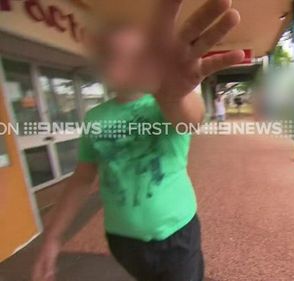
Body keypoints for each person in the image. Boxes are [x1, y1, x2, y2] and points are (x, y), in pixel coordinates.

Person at [31, 0, 245, 281]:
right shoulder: (95, 118)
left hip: (176, 234)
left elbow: (190, 118)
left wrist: (171, 95)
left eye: (134, 55)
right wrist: (52, 237)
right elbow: (82, 178)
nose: (122, 62)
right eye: (112, 55)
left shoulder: (165, 102)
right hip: (122, 240)